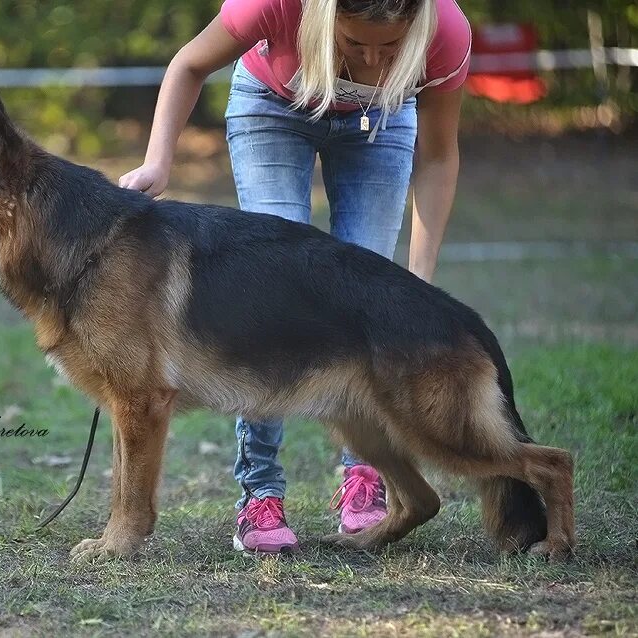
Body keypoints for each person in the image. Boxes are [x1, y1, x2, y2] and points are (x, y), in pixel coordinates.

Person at [119, 0, 471, 554]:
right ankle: (260, 492)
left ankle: (366, 478)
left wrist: (418, 275)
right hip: (273, 109)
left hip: (377, 125)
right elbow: (188, 64)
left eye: (392, 48)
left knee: (370, 299)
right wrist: (159, 161)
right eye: (357, 45)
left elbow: (439, 158)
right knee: (266, 297)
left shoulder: (445, 29)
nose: (375, 61)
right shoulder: (276, 4)